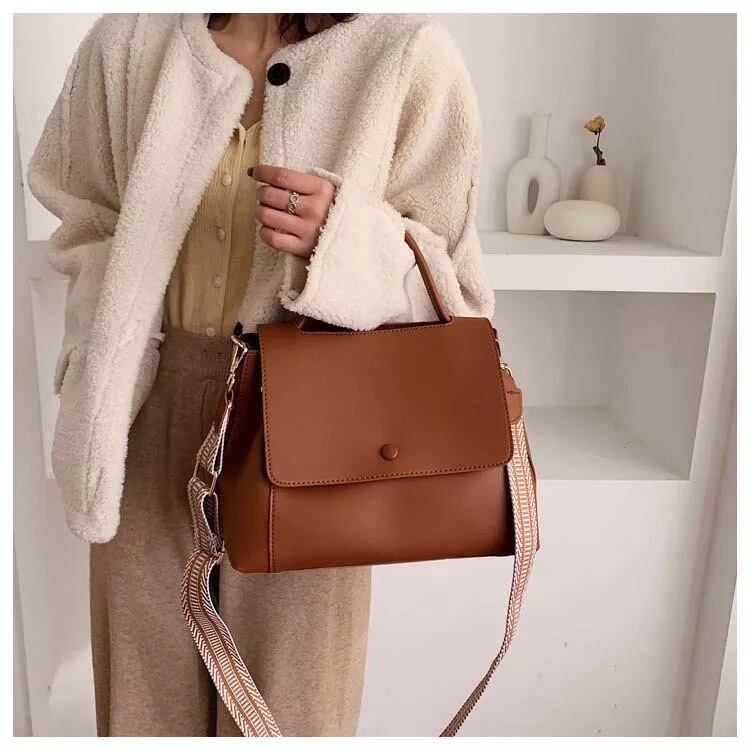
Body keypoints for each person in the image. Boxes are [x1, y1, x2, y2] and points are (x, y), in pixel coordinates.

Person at [27, 11, 495, 737]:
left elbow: (455, 290)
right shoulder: (130, 42)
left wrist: (344, 238)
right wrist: (111, 340)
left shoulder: (405, 55)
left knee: (293, 709)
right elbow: (83, 216)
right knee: (142, 702)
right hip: (146, 407)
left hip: (315, 427)